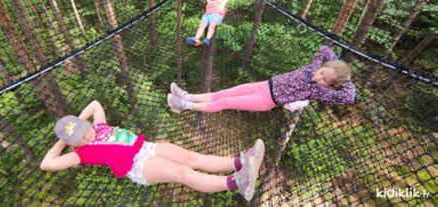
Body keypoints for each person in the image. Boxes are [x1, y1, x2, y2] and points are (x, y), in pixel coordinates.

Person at [40, 100, 265, 201]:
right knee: (183, 173)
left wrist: (77, 124)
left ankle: (240, 162)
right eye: (80, 137)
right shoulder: (81, 154)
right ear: (75, 143)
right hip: (137, 165)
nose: (86, 135)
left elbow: (95, 104)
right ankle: (237, 183)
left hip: (146, 148)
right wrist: (64, 141)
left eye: (84, 130)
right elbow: (47, 164)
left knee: (191, 157)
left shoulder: (98, 126)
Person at [168, 45, 356, 113]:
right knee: (222, 93)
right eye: (323, 73)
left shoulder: (318, 90)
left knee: (225, 102)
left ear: (329, 85)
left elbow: (349, 97)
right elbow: (324, 49)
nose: (320, 78)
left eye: (326, 80)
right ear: (323, 66)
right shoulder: (315, 66)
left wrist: (345, 79)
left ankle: (184, 106)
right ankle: (187, 96)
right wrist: (334, 66)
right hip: (263, 85)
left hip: (265, 100)